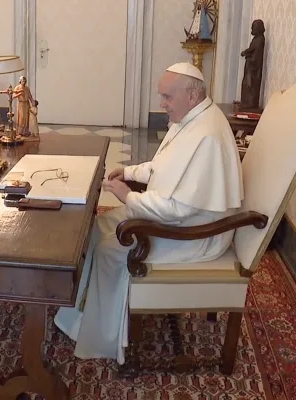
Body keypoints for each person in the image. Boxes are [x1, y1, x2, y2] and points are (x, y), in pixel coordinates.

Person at [53, 62, 244, 364]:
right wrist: (128, 171)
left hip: (195, 234)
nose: (162, 104)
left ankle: (103, 337)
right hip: (178, 217)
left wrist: (129, 197)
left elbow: (178, 210)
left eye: (167, 97)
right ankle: (79, 316)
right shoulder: (193, 118)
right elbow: (163, 165)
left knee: (109, 249)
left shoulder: (206, 136)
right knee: (97, 226)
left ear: (192, 95)